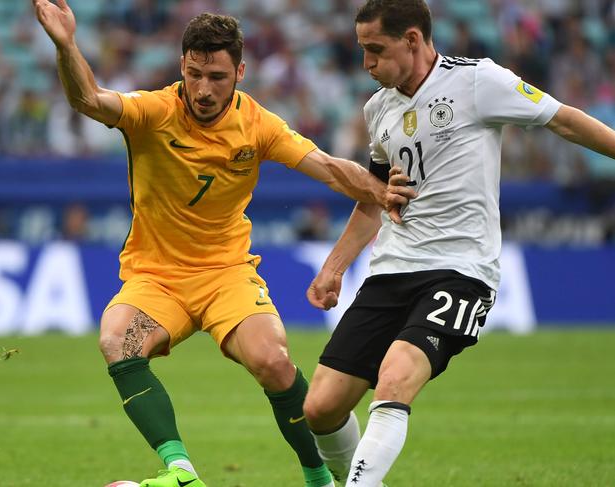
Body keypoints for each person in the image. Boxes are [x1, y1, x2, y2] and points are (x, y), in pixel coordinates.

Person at [31, 2, 414, 487]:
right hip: (157, 278)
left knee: (274, 363)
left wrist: (382, 193)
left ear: (240, 71)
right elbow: (87, 98)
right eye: (194, 74)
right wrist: (66, 45)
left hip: (225, 274)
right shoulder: (152, 112)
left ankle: (319, 479)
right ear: (182, 68)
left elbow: (330, 168)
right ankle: (181, 473)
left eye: (216, 75)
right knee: (117, 341)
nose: (204, 89)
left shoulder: (258, 125)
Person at [301, 1, 615, 486]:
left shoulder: (478, 81)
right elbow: (376, 199)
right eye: (362, 50)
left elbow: (563, 119)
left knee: (395, 378)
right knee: (320, 408)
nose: (366, 64)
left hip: (460, 269)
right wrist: (335, 265)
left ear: (412, 40)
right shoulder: (378, 108)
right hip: (392, 267)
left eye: (375, 50)